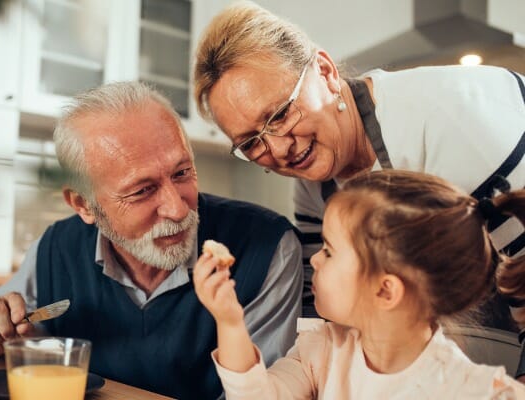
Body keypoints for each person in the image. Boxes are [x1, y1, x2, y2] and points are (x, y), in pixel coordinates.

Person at [193, 0, 525, 376]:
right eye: (252, 142)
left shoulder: (455, 128)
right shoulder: (316, 184)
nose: (279, 149)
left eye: (281, 113)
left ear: (325, 71)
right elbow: (324, 302)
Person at [0, 82, 303, 399]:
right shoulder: (55, 248)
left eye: (182, 172)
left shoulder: (267, 247)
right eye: (142, 190)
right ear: (84, 205)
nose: (177, 208)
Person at [195, 169, 525, 399]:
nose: (315, 260)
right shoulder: (322, 349)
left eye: (328, 250)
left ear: (385, 290)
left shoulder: (473, 391)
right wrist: (229, 322)